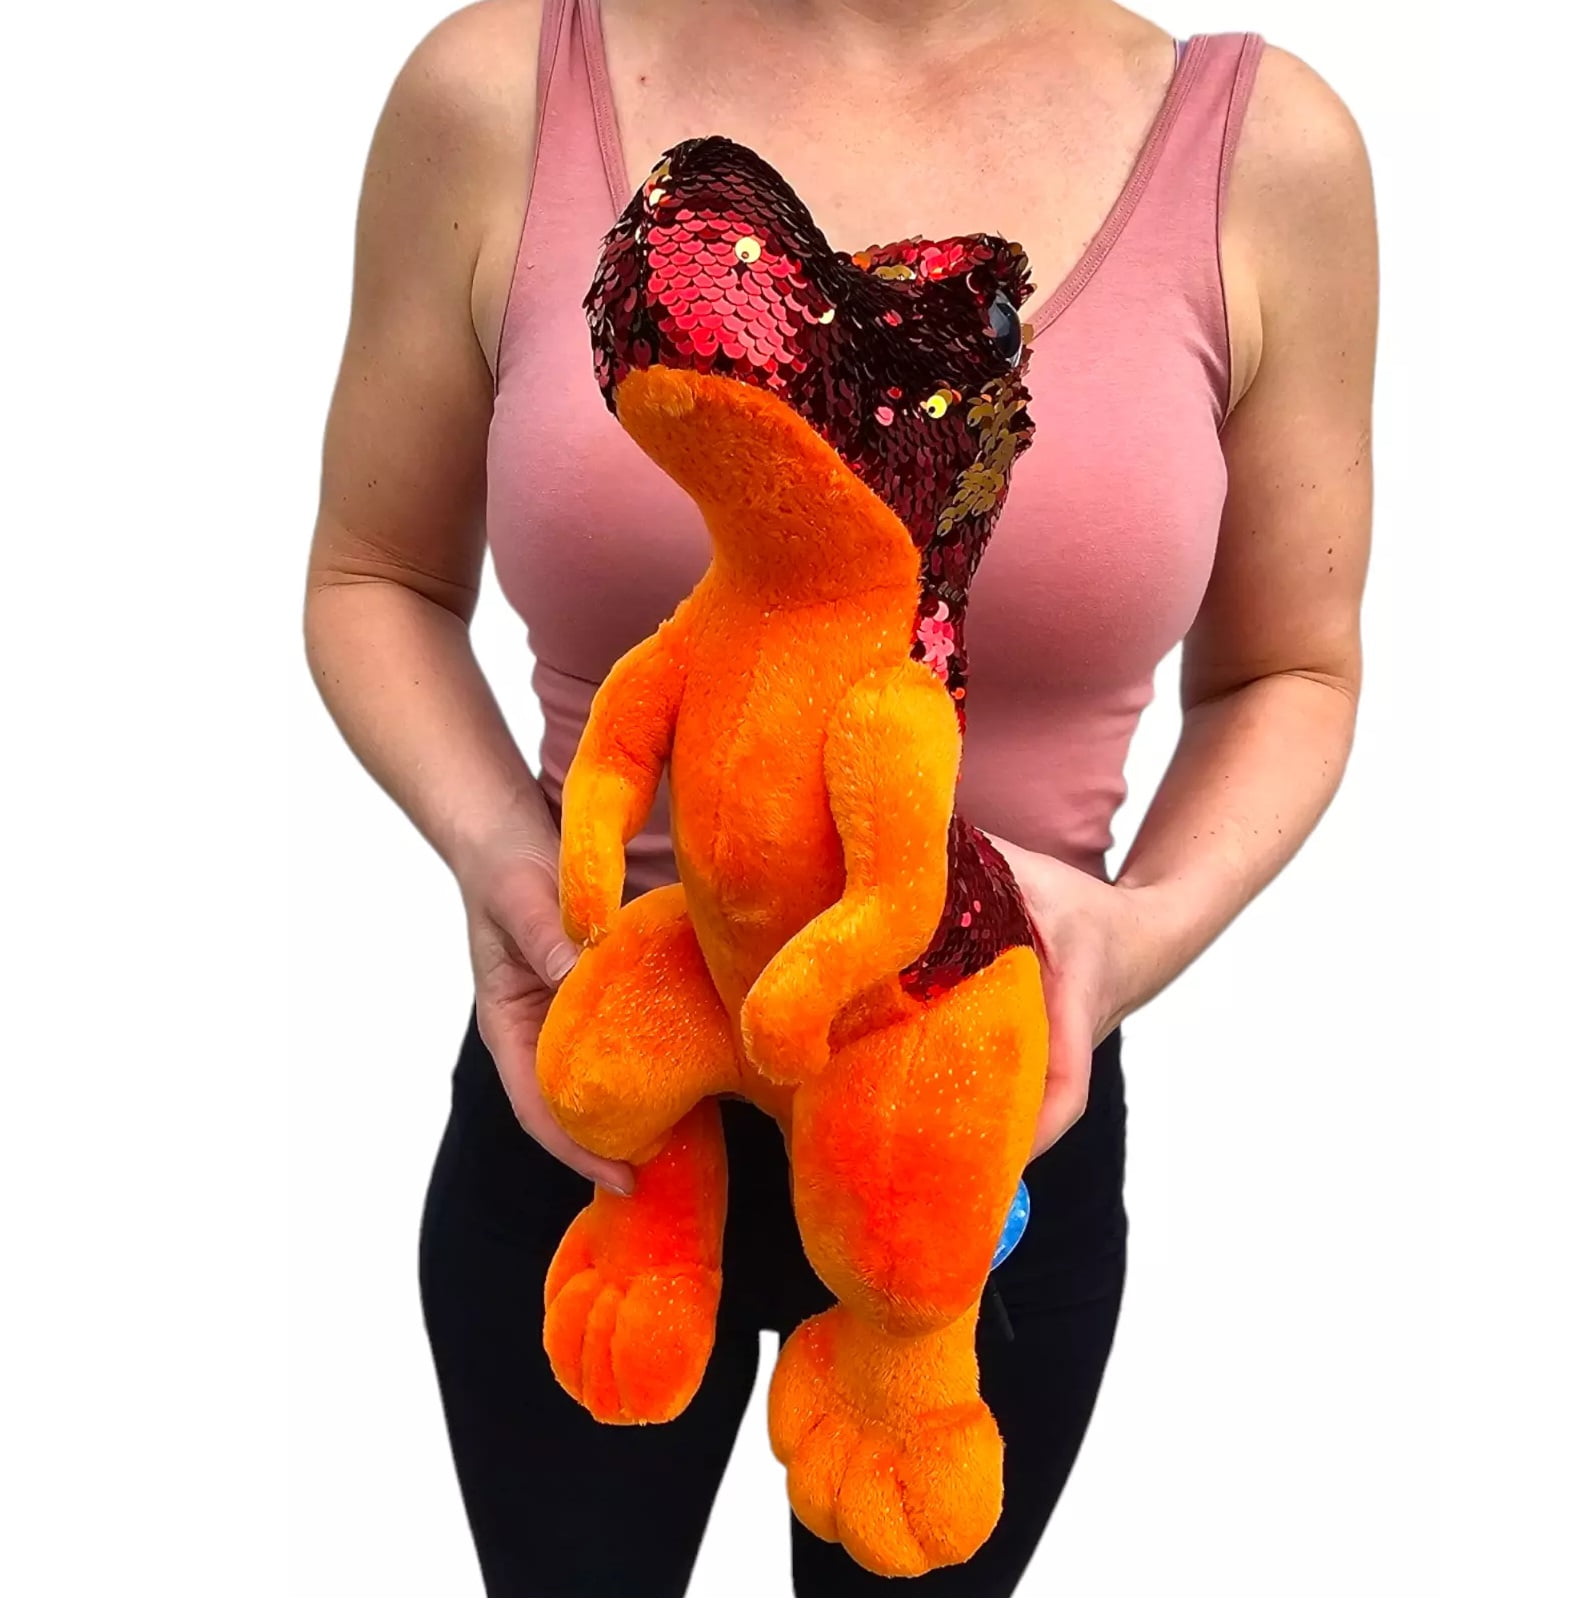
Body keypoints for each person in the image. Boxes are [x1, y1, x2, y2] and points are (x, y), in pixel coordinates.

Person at [304, 0, 1376, 1593]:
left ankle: (898, 1375)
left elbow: (1291, 668)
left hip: (972, 1107)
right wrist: (513, 872)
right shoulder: (495, 87)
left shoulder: (1262, 148)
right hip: (590, 1083)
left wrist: (1135, 933)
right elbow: (373, 577)